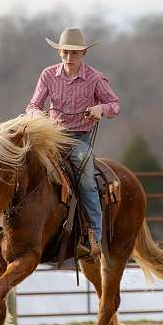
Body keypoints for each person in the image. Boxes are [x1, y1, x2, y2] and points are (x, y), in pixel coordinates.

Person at [25, 27, 120, 260]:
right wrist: (38, 117)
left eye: (74, 53)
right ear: (59, 52)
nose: (69, 57)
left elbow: (115, 105)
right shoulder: (48, 75)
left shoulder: (95, 78)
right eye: (65, 52)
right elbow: (32, 106)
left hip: (79, 138)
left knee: (86, 178)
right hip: (51, 136)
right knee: (22, 165)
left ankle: (94, 237)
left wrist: (100, 109)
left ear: (84, 54)